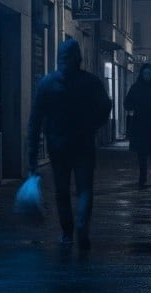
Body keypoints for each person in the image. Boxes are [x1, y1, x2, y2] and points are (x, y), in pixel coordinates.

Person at [27, 38, 112, 250]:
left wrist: (32, 157)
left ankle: (67, 232)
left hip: (58, 146)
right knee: (84, 189)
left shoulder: (47, 84)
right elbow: (106, 106)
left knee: (62, 191)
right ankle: (82, 225)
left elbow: (35, 121)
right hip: (83, 144)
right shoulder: (90, 82)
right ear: (78, 58)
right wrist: (94, 125)